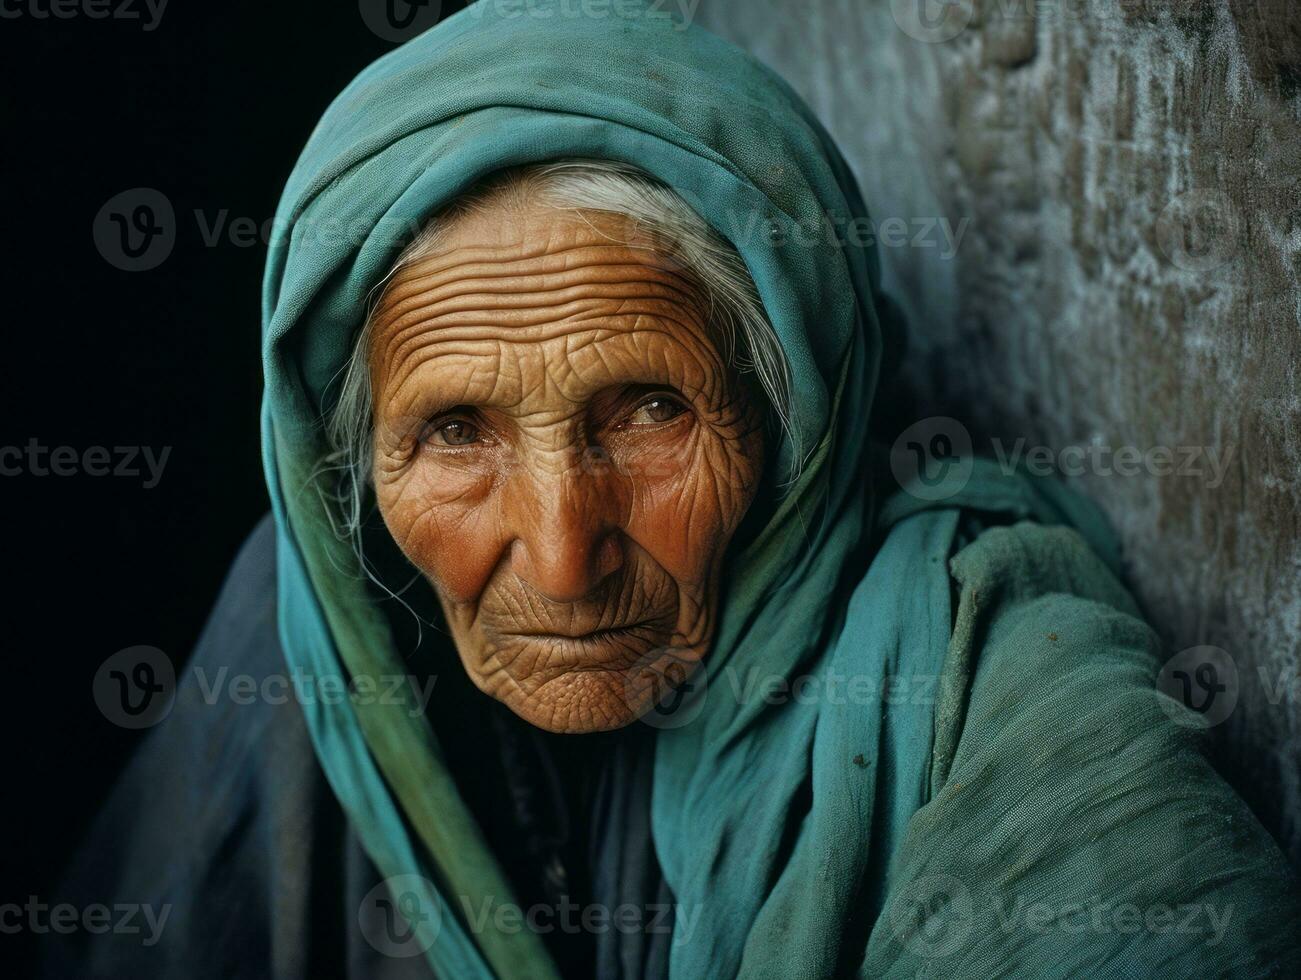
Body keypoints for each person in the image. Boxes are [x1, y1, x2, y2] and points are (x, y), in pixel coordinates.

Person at [46, 1, 1299, 977]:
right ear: (353, 473)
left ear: (792, 415)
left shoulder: (972, 664)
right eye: (453, 431)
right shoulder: (306, 632)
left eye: (649, 410)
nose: (556, 552)